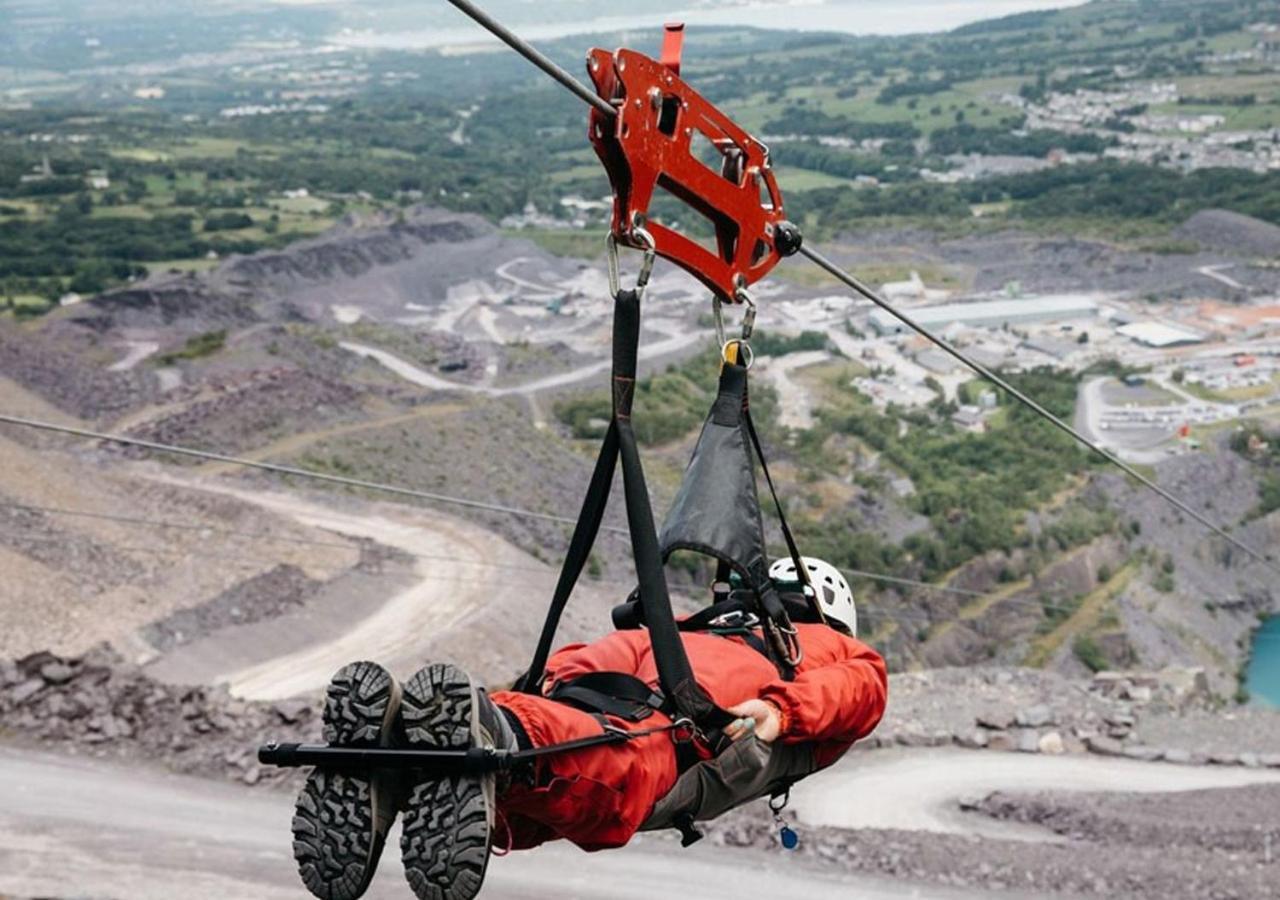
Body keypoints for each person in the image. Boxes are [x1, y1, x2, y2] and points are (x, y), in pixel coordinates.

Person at [290, 557, 887, 900]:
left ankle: (452, 743)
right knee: (576, 739)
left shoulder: (820, 650)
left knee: (596, 749)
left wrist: (782, 711)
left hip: (684, 736)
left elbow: (860, 688)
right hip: (645, 710)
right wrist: (549, 684)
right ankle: (442, 752)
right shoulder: (701, 631)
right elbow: (592, 658)